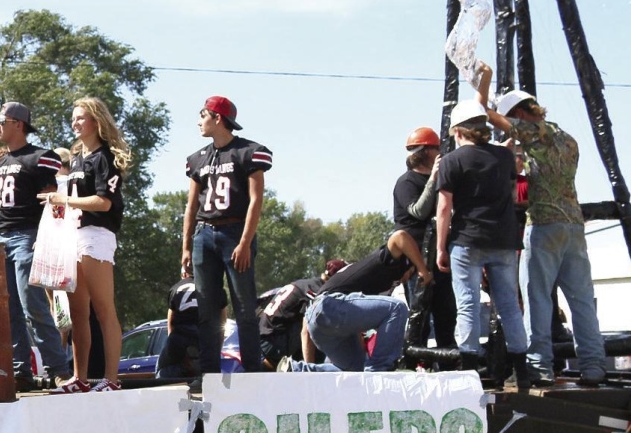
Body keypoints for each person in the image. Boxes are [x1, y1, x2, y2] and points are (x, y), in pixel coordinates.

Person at [476, 64, 607, 387]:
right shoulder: (567, 139)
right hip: (573, 226)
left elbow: (486, 114)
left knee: (537, 298)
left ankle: (540, 366)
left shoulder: (534, 133)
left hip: (544, 225)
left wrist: (484, 83)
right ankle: (593, 366)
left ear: (520, 114)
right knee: (581, 300)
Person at [435, 97, 530, 388]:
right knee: (509, 306)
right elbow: (511, 189)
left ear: (457, 132)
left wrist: (440, 247)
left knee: (468, 305)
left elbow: (444, 208)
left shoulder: (451, 161)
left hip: (467, 240)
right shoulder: (503, 157)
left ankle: (469, 373)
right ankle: (522, 371)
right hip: (504, 240)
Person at [181, 95, 273, 374]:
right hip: (203, 234)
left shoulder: (249, 152)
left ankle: (252, 372)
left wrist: (245, 242)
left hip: (235, 233)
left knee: (244, 306)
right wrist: (186, 247)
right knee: (207, 309)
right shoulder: (197, 159)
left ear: (218, 118)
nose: (199, 122)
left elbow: (256, 200)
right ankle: (208, 374)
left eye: (203, 115)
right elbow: (191, 206)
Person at [0, 101, 67, 387]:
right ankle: (21, 371)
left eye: (1, 121)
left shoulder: (41, 158)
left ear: (18, 124)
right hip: (0, 240)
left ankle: (58, 369)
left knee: (33, 306)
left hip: (27, 236)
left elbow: (53, 200)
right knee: (9, 310)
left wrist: (46, 237)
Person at [46, 97, 129, 393]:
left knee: (104, 309)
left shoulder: (105, 157)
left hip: (97, 236)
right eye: (73, 117)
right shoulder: (78, 158)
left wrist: (65, 199)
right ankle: (79, 378)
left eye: (81, 117)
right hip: (74, 234)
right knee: (77, 312)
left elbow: (104, 202)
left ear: (96, 121)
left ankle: (111, 379)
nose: (75, 122)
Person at [280, 230, 431, 372]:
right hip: (329, 305)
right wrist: (422, 268)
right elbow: (400, 236)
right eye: (411, 274)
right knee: (397, 308)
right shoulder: (386, 262)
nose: (407, 280)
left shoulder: (370, 285)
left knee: (356, 372)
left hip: (320, 321)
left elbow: (353, 318)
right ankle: (379, 371)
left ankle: (297, 369)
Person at [393, 126, 458, 359]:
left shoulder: (443, 181)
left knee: (446, 314)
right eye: (437, 149)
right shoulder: (406, 182)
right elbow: (419, 211)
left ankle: (448, 363)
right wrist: (433, 179)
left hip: (440, 258)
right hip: (417, 263)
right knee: (419, 316)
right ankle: (417, 364)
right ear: (428, 151)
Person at [156, 280, 202, 379]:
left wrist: (171, 342)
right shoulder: (210, 286)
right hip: (201, 336)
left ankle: (183, 368)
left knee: (161, 370)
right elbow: (221, 320)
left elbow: (171, 320)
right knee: (205, 370)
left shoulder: (176, 288)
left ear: (184, 274)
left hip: (179, 335)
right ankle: (195, 371)